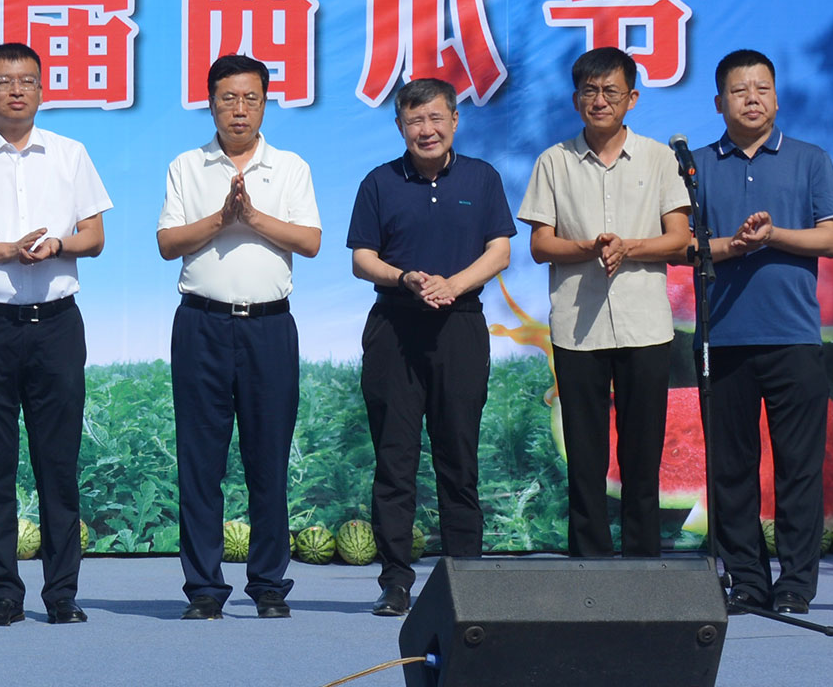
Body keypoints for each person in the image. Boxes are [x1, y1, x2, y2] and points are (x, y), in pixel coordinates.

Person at [0, 42, 111, 626]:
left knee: (58, 463)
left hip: (56, 324)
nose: (15, 90)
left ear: (41, 90)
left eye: (27, 80)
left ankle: (62, 594)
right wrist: (7, 250)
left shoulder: (71, 154)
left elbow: (94, 236)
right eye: (3, 82)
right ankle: (3, 594)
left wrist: (58, 244)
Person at [154, 53, 321, 620]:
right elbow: (168, 243)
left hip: (269, 327)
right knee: (200, 461)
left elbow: (310, 241)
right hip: (201, 324)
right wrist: (222, 218)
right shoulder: (186, 166)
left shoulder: (290, 167)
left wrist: (251, 217)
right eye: (228, 98)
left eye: (251, 98)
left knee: (267, 459)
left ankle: (269, 584)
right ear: (211, 104)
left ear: (265, 103)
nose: (240, 109)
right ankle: (204, 588)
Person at [345, 77, 516, 615]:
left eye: (436, 118)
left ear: (455, 121)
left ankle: (466, 579)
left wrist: (453, 285)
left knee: (458, 458)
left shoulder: (481, 177)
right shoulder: (379, 182)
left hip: (459, 327)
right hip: (395, 327)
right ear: (400, 126)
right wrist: (405, 278)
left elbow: (500, 251)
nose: (427, 129)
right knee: (395, 460)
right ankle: (395, 580)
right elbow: (362, 259)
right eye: (415, 120)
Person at [516, 46, 692, 559]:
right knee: (585, 453)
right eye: (590, 91)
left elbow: (680, 238)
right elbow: (540, 245)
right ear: (576, 99)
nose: (600, 101)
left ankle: (642, 560)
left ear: (632, 98)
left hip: (645, 325)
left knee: (643, 452)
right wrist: (587, 247)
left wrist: (628, 246)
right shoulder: (553, 161)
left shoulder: (659, 159)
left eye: (611, 91)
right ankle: (588, 560)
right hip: (578, 326)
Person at [689, 49, 833, 613]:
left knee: (798, 468)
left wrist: (775, 235)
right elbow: (683, 247)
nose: (752, 98)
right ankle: (749, 581)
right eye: (739, 90)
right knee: (731, 471)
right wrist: (733, 245)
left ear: (777, 98)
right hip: (722, 340)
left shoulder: (809, 159)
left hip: (794, 338)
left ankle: (796, 584)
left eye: (762, 88)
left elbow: (832, 238)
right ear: (719, 103)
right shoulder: (696, 167)